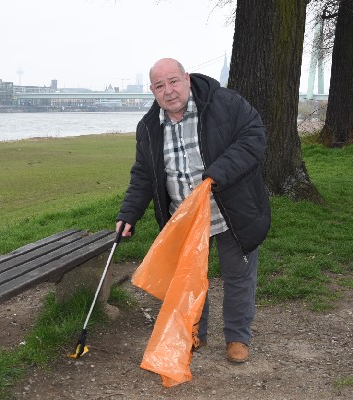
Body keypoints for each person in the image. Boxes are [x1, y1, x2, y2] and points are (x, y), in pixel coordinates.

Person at [116, 58, 271, 363]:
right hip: (183, 218)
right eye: (160, 86)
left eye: (173, 81)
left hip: (230, 211)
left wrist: (217, 173)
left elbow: (254, 135)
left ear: (186, 78)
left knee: (238, 276)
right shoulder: (148, 128)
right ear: (152, 90)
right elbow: (144, 174)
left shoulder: (224, 103)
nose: (168, 91)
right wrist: (128, 214)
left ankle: (237, 337)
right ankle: (195, 330)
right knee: (189, 277)